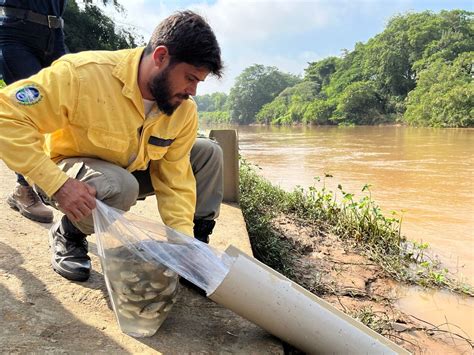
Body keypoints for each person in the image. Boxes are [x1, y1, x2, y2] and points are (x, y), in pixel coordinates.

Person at [0, 10, 224, 282]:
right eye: (190, 78)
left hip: (129, 170)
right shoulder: (82, 74)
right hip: (70, 176)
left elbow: (175, 180)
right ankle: (68, 233)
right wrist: (56, 183)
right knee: (120, 186)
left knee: (208, 153)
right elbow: (6, 116)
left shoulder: (182, 109)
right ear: (161, 56)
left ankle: (194, 251)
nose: (193, 91)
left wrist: (183, 244)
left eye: (198, 82)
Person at [0, 0, 68, 223]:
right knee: (30, 111)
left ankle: (58, 176)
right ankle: (24, 189)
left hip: (56, 35)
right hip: (17, 29)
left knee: (66, 106)